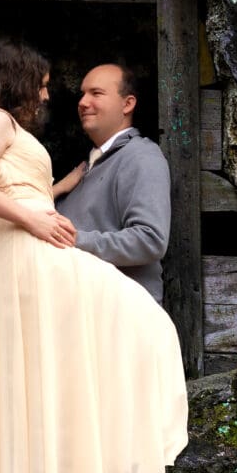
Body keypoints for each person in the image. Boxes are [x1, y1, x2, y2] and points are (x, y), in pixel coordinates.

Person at [0, 42, 188, 473]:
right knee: (41, 374)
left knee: (47, 374)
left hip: (24, 248)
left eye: (95, 91)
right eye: (48, 83)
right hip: (16, 249)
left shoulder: (135, 157)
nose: (56, 95)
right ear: (21, 79)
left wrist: (55, 192)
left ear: (129, 102)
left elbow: (22, 195)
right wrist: (37, 215)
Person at [56, 63, 171, 303]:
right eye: (83, 94)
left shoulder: (141, 156)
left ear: (127, 104)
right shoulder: (85, 167)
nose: (83, 102)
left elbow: (150, 239)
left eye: (96, 93)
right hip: (86, 316)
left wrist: (73, 239)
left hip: (123, 318)